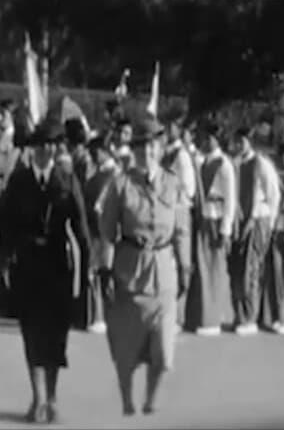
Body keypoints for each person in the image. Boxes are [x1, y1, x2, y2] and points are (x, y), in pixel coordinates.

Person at [98, 114, 190, 416]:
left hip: (163, 271)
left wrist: (186, 266)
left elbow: (182, 230)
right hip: (130, 271)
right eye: (140, 147)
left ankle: (152, 396)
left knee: (164, 352)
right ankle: (127, 397)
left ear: (161, 148)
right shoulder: (120, 185)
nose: (146, 153)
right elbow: (107, 233)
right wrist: (105, 271)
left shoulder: (173, 184)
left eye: (152, 146)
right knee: (126, 348)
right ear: (133, 150)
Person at [2, 120, 91, 424]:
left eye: (54, 145)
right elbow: (6, 225)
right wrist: (0, 261)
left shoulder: (66, 180)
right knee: (31, 333)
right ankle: (37, 397)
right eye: (42, 145)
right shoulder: (19, 181)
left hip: (57, 264)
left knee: (55, 334)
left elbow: (81, 226)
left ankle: (52, 397)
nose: (48, 151)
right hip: (27, 263)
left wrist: (88, 266)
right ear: (33, 149)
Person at [185, 121, 236, 335]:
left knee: (213, 270)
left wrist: (226, 228)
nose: (204, 141)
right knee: (201, 271)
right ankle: (198, 316)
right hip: (203, 218)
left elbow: (230, 198)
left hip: (215, 218)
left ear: (215, 139)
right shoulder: (203, 161)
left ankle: (212, 319)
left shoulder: (224, 164)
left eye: (208, 138)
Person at [230, 126, 281, 335]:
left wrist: (269, 223)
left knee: (252, 269)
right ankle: (241, 314)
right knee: (238, 269)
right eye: (236, 141)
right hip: (240, 221)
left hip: (258, 218)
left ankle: (251, 317)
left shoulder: (261, 164)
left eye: (242, 141)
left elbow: (273, 194)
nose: (239, 145)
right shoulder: (235, 164)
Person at [162, 108, 197, 331]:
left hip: (180, 211)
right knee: (167, 265)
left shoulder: (182, 155)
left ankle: (180, 313)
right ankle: (169, 313)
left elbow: (190, 189)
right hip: (166, 210)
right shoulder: (165, 153)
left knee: (183, 265)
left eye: (171, 126)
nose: (168, 130)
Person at [84, 135, 119, 335]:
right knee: (96, 274)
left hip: (107, 230)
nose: (93, 155)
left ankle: (108, 315)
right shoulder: (97, 175)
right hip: (96, 231)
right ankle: (98, 315)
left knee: (107, 273)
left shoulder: (114, 175)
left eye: (96, 152)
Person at [261, 142, 284, 334]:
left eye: (283, 155)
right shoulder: (280, 176)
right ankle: (277, 315)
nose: (280, 159)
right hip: (277, 226)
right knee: (276, 274)